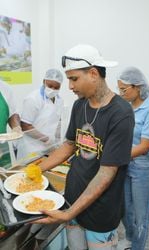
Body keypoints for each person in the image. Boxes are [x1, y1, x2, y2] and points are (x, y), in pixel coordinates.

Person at [33, 44, 134, 250]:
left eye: (74, 79)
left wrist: (68, 213)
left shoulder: (120, 112)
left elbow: (107, 172)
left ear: (94, 73)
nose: (70, 86)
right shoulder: (80, 105)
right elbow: (70, 144)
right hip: (73, 197)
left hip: (101, 208)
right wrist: (38, 169)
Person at [117, 67, 149, 250]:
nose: (121, 93)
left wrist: (115, 155)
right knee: (125, 209)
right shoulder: (126, 107)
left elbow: (144, 146)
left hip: (144, 166)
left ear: (137, 87)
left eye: (124, 89)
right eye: (119, 89)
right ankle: (129, 237)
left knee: (141, 214)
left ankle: (138, 246)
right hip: (126, 162)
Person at [16, 69, 64, 161]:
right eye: (50, 86)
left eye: (56, 87)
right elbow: (25, 125)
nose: (53, 89)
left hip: (49, 148)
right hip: (31, 148)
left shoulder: (59, 100)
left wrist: (58, 140)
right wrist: (47, 139)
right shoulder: (33, 99)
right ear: (44, 81)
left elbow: (58, 121)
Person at [0, 79, 21, 168]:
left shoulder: (5, 88)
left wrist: (16, 127)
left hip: (2, 147)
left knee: (5, 179)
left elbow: (12, 114)